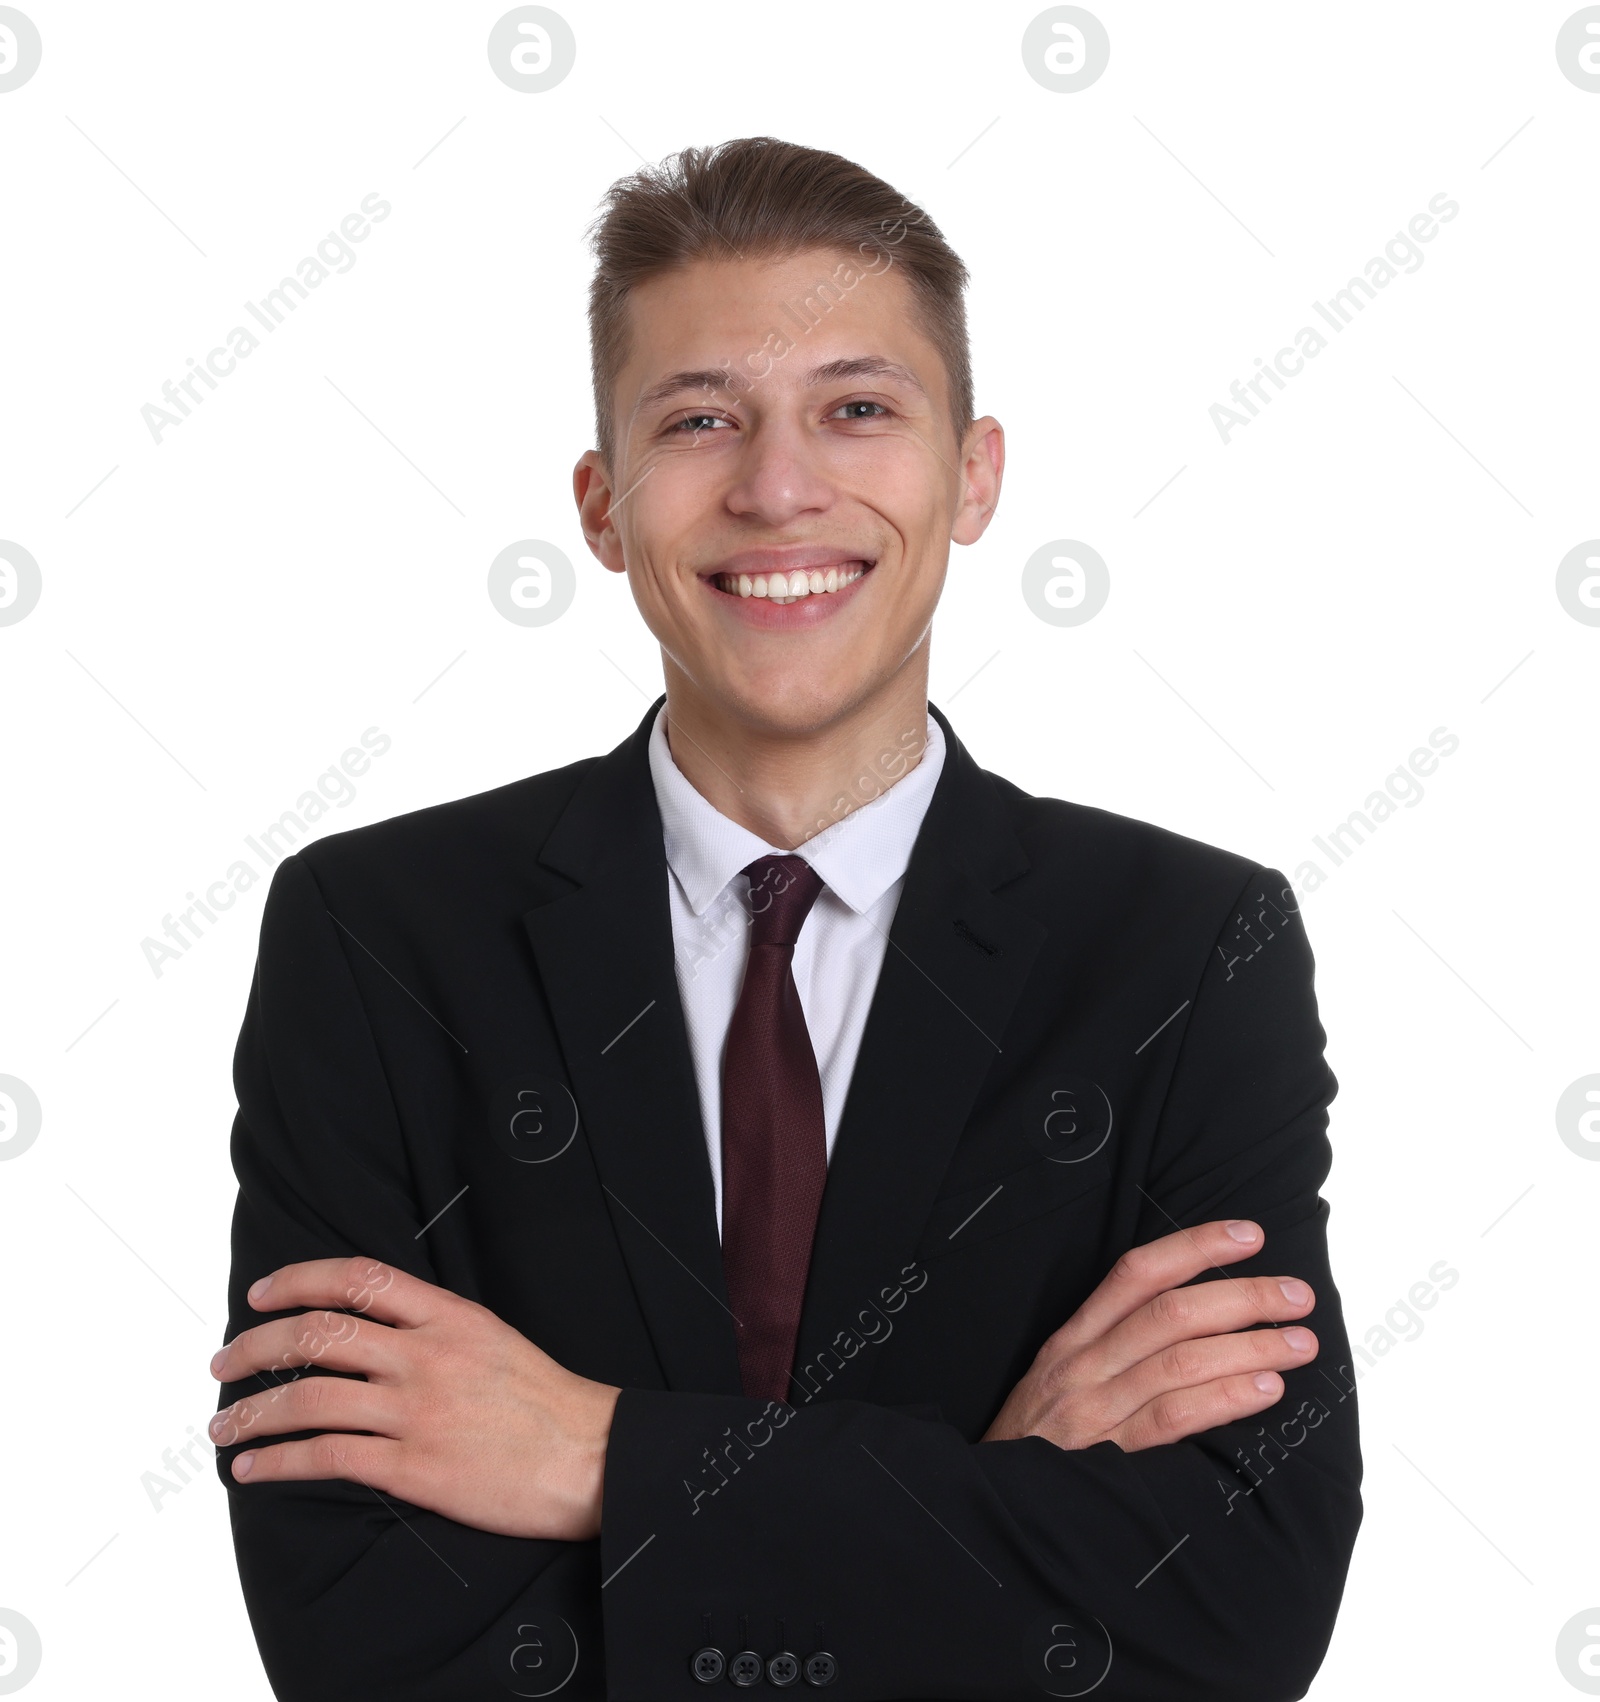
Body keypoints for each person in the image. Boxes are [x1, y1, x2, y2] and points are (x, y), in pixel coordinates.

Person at [210, 137, 1361, 1701]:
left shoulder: (1188, 949)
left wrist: (597, 1456)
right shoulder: (377, 939)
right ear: (604, 504)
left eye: (857, 407)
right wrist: (989, 1487)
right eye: (700, 419)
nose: (776, 484)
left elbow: (1233, 1608)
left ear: (975, 477)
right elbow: (358, 1627)